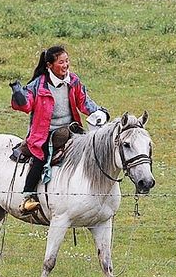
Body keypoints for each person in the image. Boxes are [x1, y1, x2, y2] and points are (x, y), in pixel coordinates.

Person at [9, 45, 110, 213]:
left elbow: (84, 102)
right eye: (61, 62)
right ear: (49, 65)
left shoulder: (73, 81)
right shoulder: (37, 86)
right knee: (40, 159)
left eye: (67, 61)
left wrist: (99, 111)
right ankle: (28, 196)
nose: (65, 65)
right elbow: (26, 105)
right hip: (44, 134)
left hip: (72, 129)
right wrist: (18, 96)